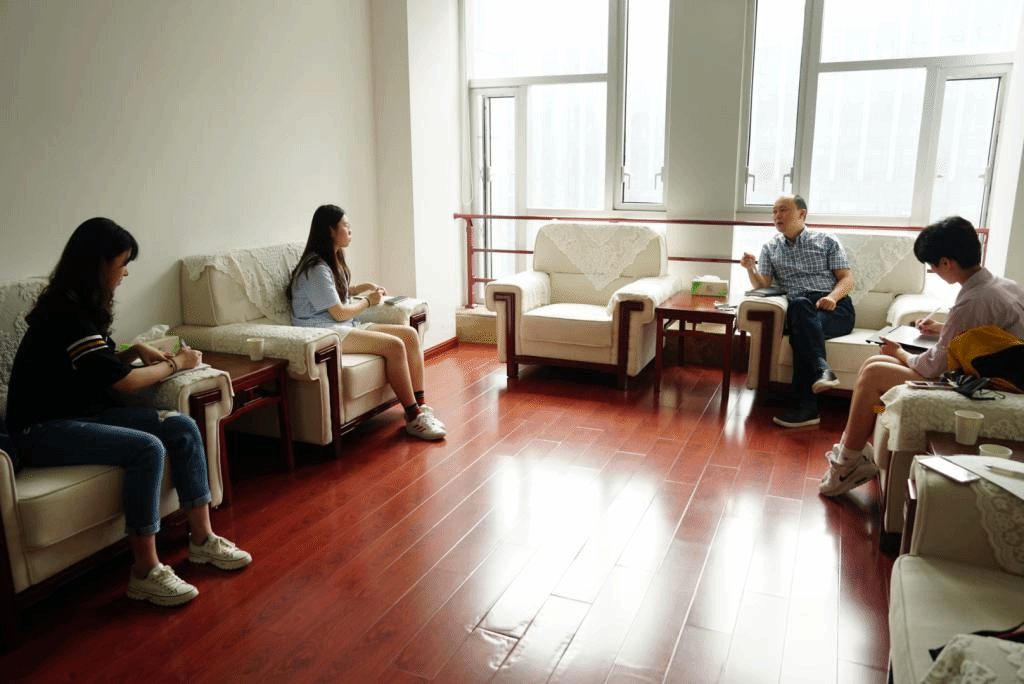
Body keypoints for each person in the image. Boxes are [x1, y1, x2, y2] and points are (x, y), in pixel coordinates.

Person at [6, 218, 251, 607]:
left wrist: (134, 350)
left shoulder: (79, 307)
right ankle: (145, 572)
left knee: (182, 426)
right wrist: (178, 363)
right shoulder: (64, 313)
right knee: (147, 448)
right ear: (97, 264)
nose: (125, 273)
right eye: (122, 263)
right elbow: (123, 383)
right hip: (41, 430)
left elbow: (97, 366)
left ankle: (203, 540)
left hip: (83, 415)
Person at [819, 215, 1024, 497]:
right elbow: (989, 336)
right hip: (1000, 372)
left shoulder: (973, 300)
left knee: (875, 372)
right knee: (874, 365)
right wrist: (942, 329)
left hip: (992, 384)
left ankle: (846, 465)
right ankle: (853, 453)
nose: (933, 271)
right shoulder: (1002, 285)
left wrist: (899, 351)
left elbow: (933, 367)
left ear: (946, 262)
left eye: (933, 265)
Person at [286, 204, 446, 441]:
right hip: (324, 334)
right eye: (345, 226)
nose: (350, 230)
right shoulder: (315, 268)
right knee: (394, 346)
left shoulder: (331, 260)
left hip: (342, 327)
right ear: (330, 230)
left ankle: (421, 407)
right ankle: (413, 417)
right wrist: (368, 301)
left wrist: (363, 288)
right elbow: (339, 313)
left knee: (410, 335)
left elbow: (337, 294)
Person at [741, 194, 856, 428]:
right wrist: (751, 269)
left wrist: (832, 297)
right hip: (800, 308)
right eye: (774, 211)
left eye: (783, 210)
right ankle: (822, 370)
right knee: (800, 308)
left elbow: (847, 279)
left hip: (834, 308)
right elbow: (764, 285)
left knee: (801, 332)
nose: (776, 216)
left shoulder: (826, 240)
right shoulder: (770, 247)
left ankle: (807, 409)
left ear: (802, 213)